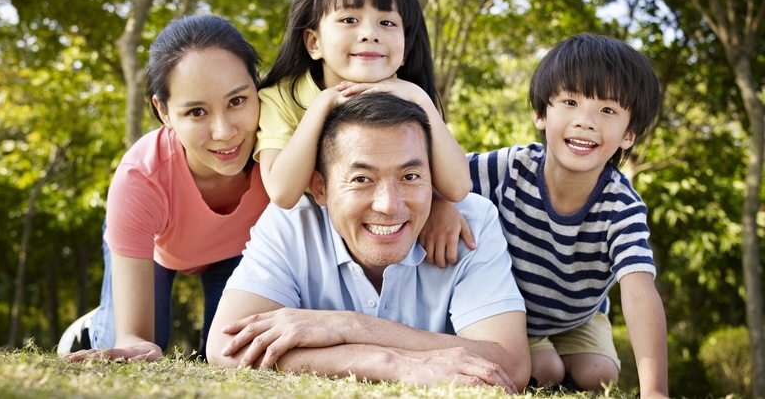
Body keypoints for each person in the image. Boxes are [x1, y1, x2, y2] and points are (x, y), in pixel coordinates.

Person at [206, 93, 530, 390]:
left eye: (410, 177)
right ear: (320, 187)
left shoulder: (471, 223)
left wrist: (350, 327)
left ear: (433, 181)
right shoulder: (290, 225)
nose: (389, 205)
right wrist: (391, 364)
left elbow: (511, 364)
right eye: (362, 179)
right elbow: (226, 347)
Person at [454, 33, 667, 396]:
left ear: (628, 134)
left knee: (598, 375)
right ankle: (546, 364)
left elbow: (639, 291)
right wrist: (445, 203)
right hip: (513, 311)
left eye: (607, 110)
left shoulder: (621, 205)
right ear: (541, 113)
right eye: (570, 101)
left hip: (578, 314)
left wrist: (655, 391)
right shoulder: (510, 167)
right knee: (545, 370)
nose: (585, 121)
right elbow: (444, 175)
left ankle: (570, 362)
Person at [58, 14, 270, 362]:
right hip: (157, 251)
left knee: (233, 352)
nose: (225, 132)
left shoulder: (281, 152)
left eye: (237, 101)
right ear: (164, 111)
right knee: (138, 345)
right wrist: (133, 339)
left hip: (239, 252)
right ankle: (94, 325)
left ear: (257, 83)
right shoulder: (141, 177)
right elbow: (135, 338)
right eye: (197, 112)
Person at [255, 0, 470, 230]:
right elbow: (282, 193)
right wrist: (324, 103)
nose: (370, 33)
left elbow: (458, 188)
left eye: (387, 23)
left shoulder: (410, 98)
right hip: (309, 232)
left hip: (385, 224)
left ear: (405, 50)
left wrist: (420, 99)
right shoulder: (281, 98)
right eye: (349, 19)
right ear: (314, 42)